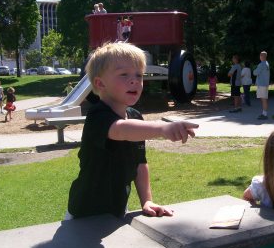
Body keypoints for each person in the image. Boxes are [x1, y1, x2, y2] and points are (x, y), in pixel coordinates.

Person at [66, 42, 199, 220]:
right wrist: (162, 128)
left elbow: (140, 163)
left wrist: (147, 201)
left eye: (139, 75)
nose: (135, 80)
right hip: (84, 214)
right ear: (100, 83)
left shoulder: (135, 117)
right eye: (123, 74)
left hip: (117, 210)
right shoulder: (97, 116)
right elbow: (121, 130)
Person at [253, 51, 270, 120]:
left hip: (262, 84)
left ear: (262, 56)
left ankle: (264, 114)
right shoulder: (267, 63)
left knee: (263, 99)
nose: (259, 56)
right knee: (264, 99)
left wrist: (255, 70)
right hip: (265, 84)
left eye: (260, 55)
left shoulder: (261, 64)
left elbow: (255, 73)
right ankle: (264, 113)